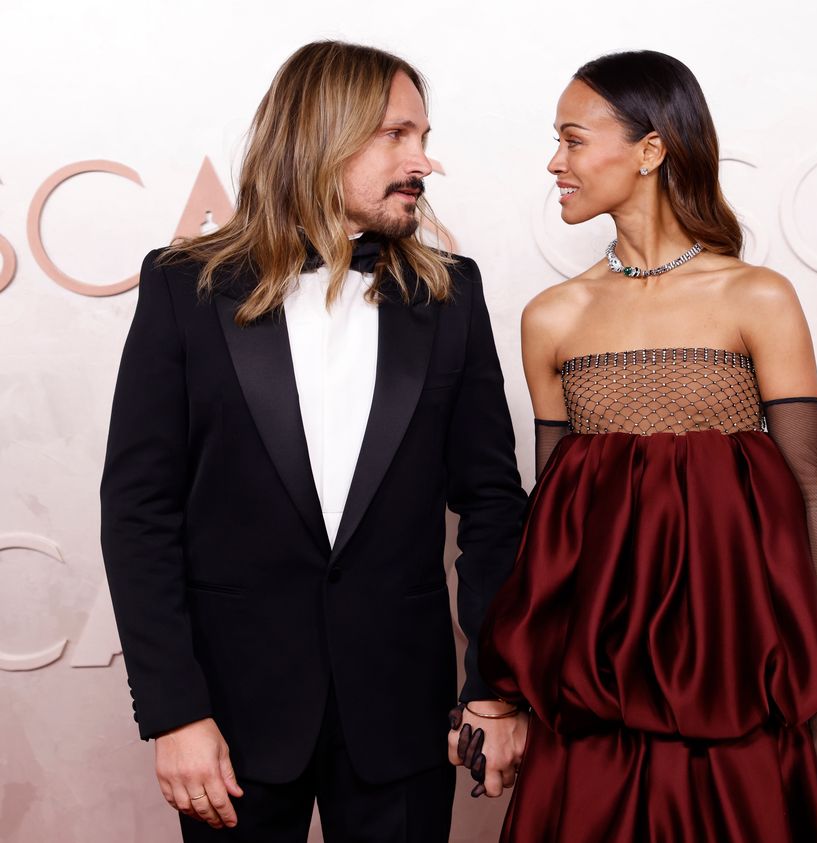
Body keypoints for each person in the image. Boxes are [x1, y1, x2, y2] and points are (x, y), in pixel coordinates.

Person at [100, 40, 527, 842]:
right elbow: (138, 511)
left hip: (404, 717)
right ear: (321, 135)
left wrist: (495, 689)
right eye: (398, 135)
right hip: (228, 723)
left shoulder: (452, 295)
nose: (424, 161)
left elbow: (493, 504)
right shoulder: (182, 286)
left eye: (425, 137)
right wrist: (174, 710)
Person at [475, 50, 817, 841]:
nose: (555, 162)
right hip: (590, 712)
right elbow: (554, 534)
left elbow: (809, 494)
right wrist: (512, 694)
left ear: (650, 149)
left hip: (738, 700)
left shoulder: (757, 297)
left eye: (573, 140)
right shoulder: (553, 317)